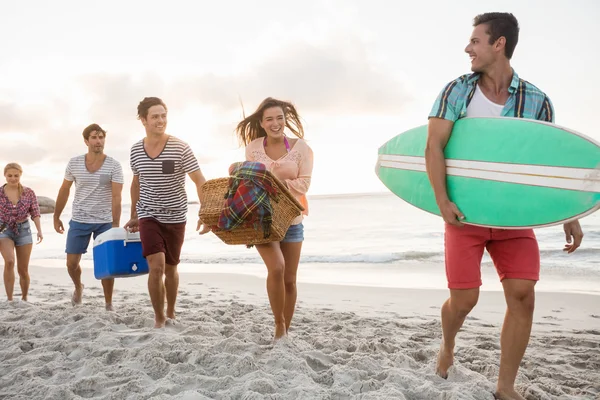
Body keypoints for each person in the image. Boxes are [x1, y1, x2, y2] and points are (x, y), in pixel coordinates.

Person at [424, 12, 584, 400]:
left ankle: (505, 387)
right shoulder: (456, 92)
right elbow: (434, 147)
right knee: (464, 300)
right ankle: (447, 345)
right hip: (465, 215)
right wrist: (442, 201)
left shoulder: (537, 101)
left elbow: (549, 166)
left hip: (515, 218)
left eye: (475, 41)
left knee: (523, 295)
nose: (468, 48)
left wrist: (569, 215)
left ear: (499, 44)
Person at [124, 97, 207, 328]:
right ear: (143, 120)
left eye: (163, 115)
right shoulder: (135, 150)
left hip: (176, 216)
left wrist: (205, 210)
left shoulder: (180, 147)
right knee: (156, 265)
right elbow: (136, 183)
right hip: (148, 215)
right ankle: (159, 318)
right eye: (155, 116)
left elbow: (199, 180)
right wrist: (134, 214)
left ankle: (171, 310)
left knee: (171, 268)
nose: (161, 121)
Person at [234, 97, 313, 340]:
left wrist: (273, 183)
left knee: (289, 279)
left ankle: (284, 332)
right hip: (262, 220)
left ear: (285, 120)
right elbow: (249, 180)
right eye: (269, 119)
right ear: (262, 122)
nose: (275, 123)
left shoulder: (302, 149)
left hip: (293, 219)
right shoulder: (254, 148)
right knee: (276, 268)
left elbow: (304, 184)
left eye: (280, 118)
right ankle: (278, 324)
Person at [53, 124, 124, 310]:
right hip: (79, 219)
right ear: (86, 141)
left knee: (107, 265)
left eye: (101, 137)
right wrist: (56, 216)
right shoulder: (74, 163)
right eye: (94, 137)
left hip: (105, 221)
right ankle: (78, 286)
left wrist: (116, 225)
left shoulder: (114, 165)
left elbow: (117, 196)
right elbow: (64, 189)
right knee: (71, 263)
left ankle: (108, 303)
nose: (98, 141)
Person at [0, 163, 43, 301]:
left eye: (16, 175)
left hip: (24, 230)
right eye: (10, 175)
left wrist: (39, 230)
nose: (13, 178)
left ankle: (24, 298)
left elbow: (35, 213)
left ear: (20, 175)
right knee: (10, 261)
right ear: (5, 175)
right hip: (4, 229)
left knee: (23, 269)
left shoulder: (28, 192)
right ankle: (10, 299)